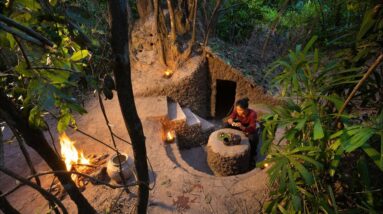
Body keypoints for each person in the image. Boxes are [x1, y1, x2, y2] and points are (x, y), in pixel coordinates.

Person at [226, 98, 258, 164]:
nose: (238, 111)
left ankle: (252, 155)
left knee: (254, 138)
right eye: (237, 109)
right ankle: (228, 138)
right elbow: (231, 116)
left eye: (240, 110)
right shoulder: (237, 110)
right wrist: (231, 121)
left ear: (246, 109)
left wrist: (243, 127)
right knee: (226, 124)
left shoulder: (252, 114)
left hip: (249, 127)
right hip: (240, 124)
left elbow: (252, 128)